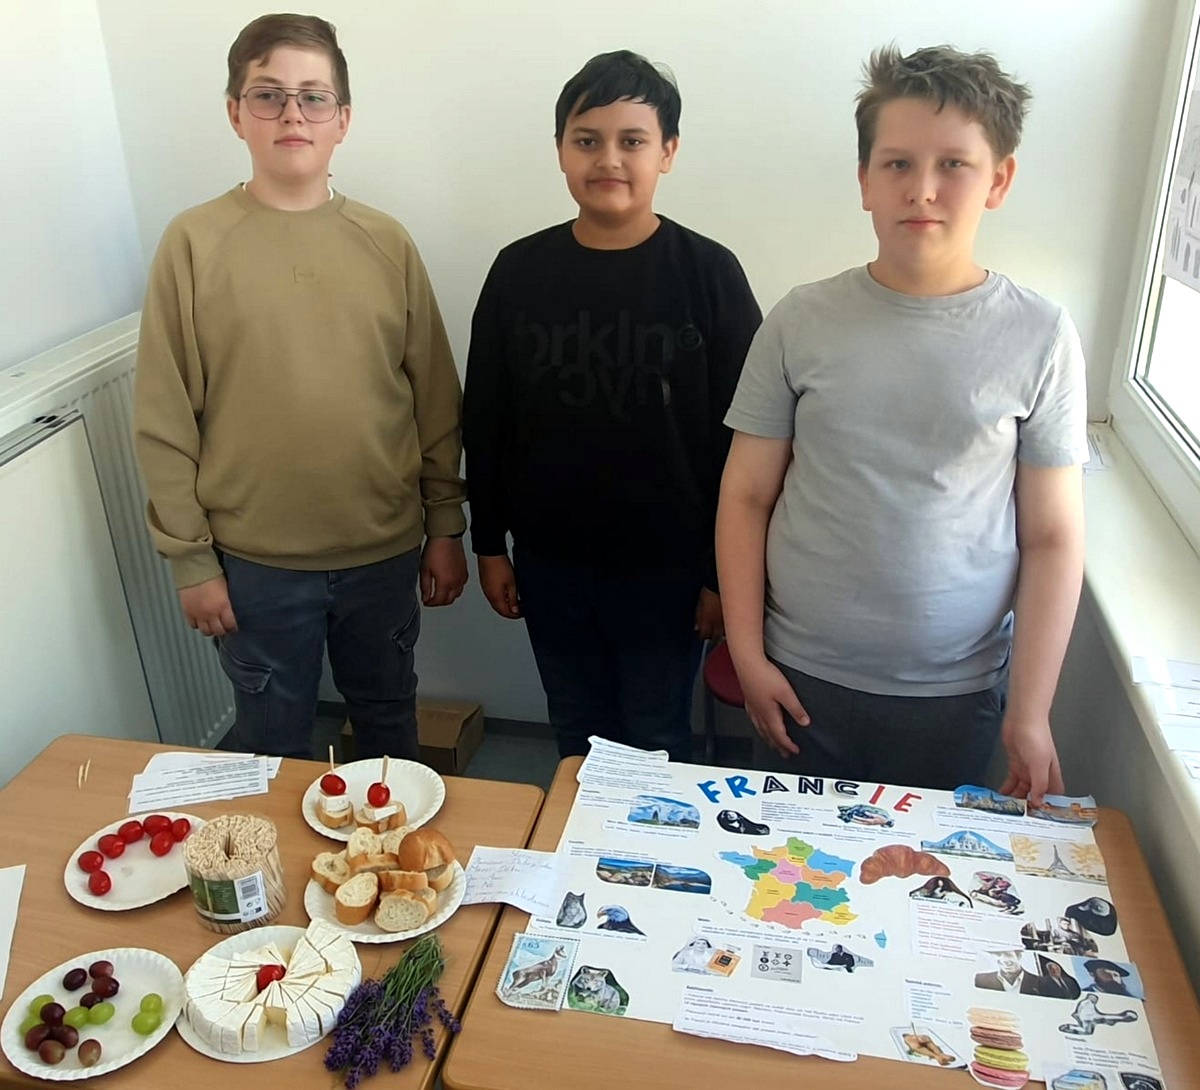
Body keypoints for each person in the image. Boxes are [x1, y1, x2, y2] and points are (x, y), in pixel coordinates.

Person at [716, 44, 1087, 800]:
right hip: (800, 678)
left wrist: (1031, 710)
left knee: (921, 869)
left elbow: (1052, 536)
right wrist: (748, 657)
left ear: (999, 180)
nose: (922, 189)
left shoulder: (1042, 335)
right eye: (897, 164)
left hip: (954, 694)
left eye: (954, 164)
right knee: (791, 868)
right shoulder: (799, 320)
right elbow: (746, 496)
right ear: (864, 180)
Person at [134, 14, 467, 762]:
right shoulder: (193, 244)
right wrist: (191, 562)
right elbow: (164, 419)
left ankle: (383, 844)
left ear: (342, 120)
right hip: (255, 563)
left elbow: (435, 400)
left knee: (388, 728)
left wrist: (446, 526)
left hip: (381, 550)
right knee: (271, 745)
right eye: (269, 95)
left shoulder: (386, 242)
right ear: (235, 113)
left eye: (314, 97)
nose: (293, 114)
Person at [463, 50, 762, 761]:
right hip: (550, 563)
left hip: (670, 571)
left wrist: (723, 576)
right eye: (587, 139)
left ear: (668, 152)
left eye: (632, 140)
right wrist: (488, 543)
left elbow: (748, 443)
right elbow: (486, 416)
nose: (609, 159)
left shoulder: (709, 275)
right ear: (560, 150)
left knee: (657, 737)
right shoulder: (518, 271)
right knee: (576, 730)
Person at [974, 949, 1042, 994]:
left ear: (1019, 956)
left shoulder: (1040, 982)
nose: (1003, 959)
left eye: (1007, 954)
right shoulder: (980, 980)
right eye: (998, 954)